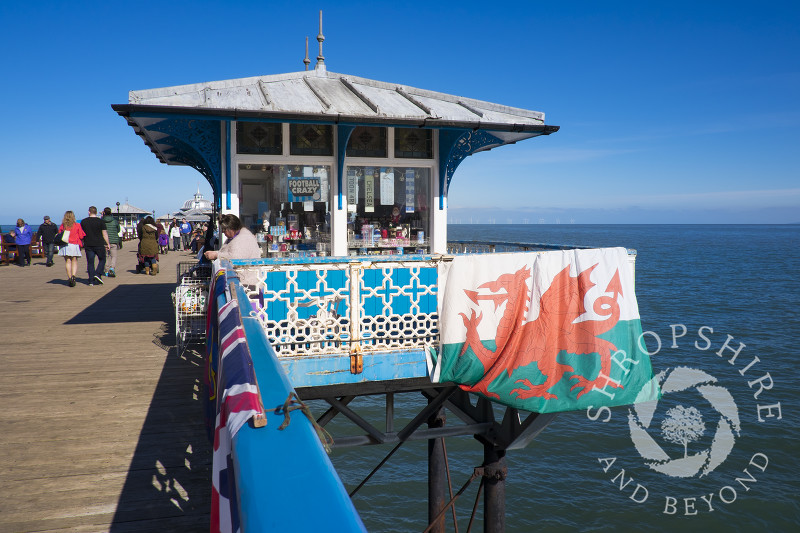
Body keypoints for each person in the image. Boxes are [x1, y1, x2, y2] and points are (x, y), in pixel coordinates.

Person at [204, 214, 262, 285]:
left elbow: (235, 257)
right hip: (241, 282)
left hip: (249, 284)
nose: (223, 232)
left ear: (232, 229)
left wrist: (216, 255)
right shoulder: (235, 237)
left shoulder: (244, 238)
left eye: (224, 230)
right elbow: (229, 253)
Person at [81, 206, 111, 286]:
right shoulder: (101, 222)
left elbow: (81, 234)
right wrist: (108, 243)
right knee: (102, 259)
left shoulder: (84, 222)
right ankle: (98, 274)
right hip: (99, 244)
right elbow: (104, 233)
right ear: (96, 212)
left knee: (90, 262)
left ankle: (91, 280)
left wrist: (82, 242)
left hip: (88, 244)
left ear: (89, 212)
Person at [57, 210, 86, 287]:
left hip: (65, 245)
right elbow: (81, 236)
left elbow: (59, 234)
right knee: (74, 260)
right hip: (74, 244)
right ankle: (73, 276)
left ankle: (69, 277)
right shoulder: (77, 225)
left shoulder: (63, 226)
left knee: (67, 261)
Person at [101, 207, 121, 277]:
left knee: (106, 256)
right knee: (114, 256)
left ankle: (106, 271)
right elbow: (118, 230)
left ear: (104, 213)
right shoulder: (114, 221)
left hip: (104, 241)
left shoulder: (102, 221)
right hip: (113, 241)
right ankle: (112, 268)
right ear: (111, 213)